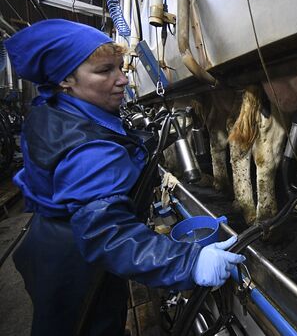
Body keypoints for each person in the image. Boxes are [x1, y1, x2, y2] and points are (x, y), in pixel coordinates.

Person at [4, 19, 245, 336]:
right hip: (75, 259)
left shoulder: (57, 109)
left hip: (52, 240)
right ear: (65, 79)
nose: (122, 80)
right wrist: (189, 263)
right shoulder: (89, 150)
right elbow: (108, 234)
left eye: (121, 67)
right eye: (105, 71)